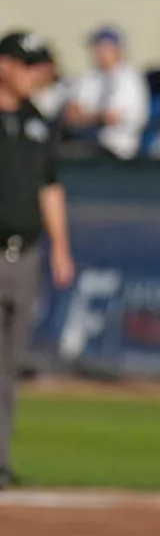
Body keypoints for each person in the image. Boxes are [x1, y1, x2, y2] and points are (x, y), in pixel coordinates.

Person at [0, 31, 75, 490]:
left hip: (22, 255)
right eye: (26, 64)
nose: (34, 74)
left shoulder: (37, 123)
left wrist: (61, 247)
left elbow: (50, 186)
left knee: (8, 368)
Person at [61, 27, 150, 160]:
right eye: (95, 48)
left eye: (101, 48)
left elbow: (110, 117)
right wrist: (97, 117)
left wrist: (86, 116)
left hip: (119, 149)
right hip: (87, 142)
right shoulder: (90, 77)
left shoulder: (128, 78)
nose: (97, 53)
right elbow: (70, 116)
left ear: (115, 49)